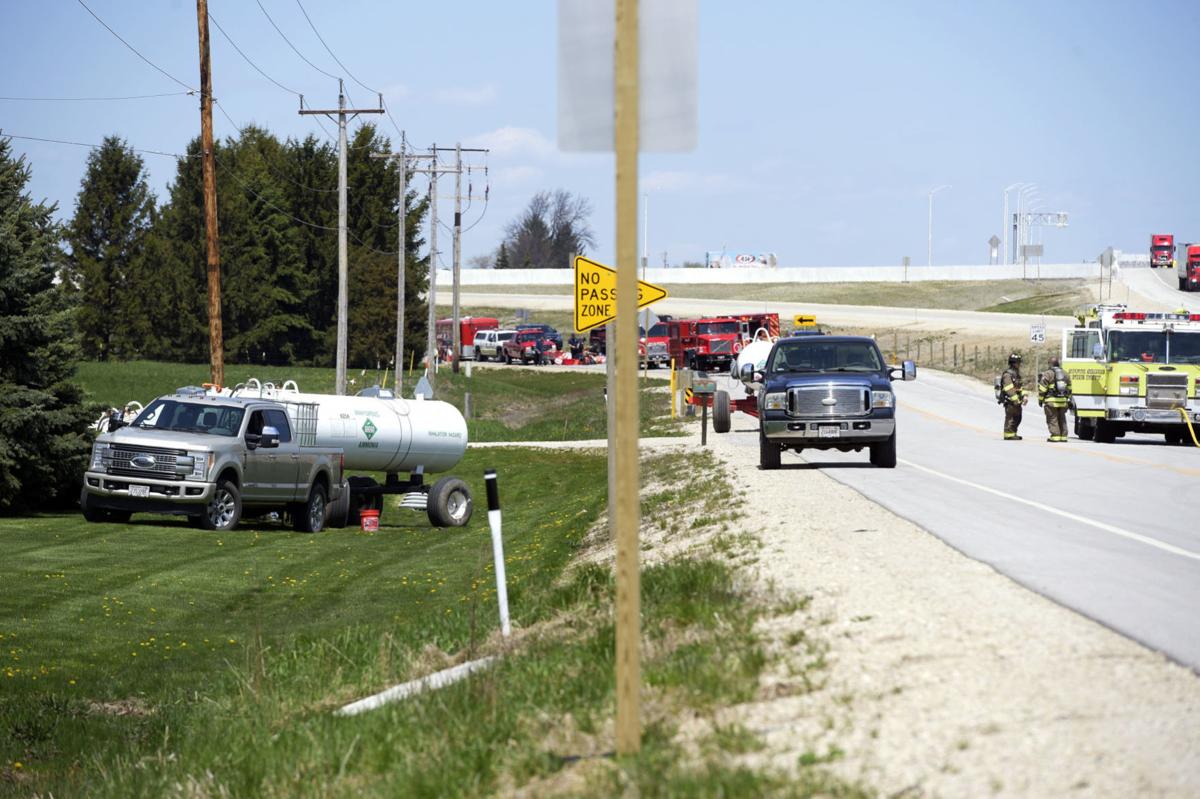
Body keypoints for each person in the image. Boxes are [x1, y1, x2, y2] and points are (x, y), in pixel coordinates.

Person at [1038, 356, 1073, 442]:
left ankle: (1055, 436)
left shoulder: (1048, 374)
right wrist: (1067, 398)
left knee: (1052, 419)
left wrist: (1041, 399)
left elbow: (1042, 388)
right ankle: (1064, 436)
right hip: (1063, 401)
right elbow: (1069, 388)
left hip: (1051, 402)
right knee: (1062, 419)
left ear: (1050, 364)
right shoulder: (1065, 373)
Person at [1000, 352, 1028, 440]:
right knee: (1010, 417)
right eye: (1018, 362)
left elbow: (1020, 387)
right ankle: (1008, 434)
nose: (1019, 364)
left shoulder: (1017, 374)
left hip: (1017, 401)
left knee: (1018, 417)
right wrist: (1015, 399)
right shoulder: (1007, 375)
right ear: (1013, 363)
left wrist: (1024, 396)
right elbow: (1009, 389)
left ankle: (1013, 433)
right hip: (1010, 401)